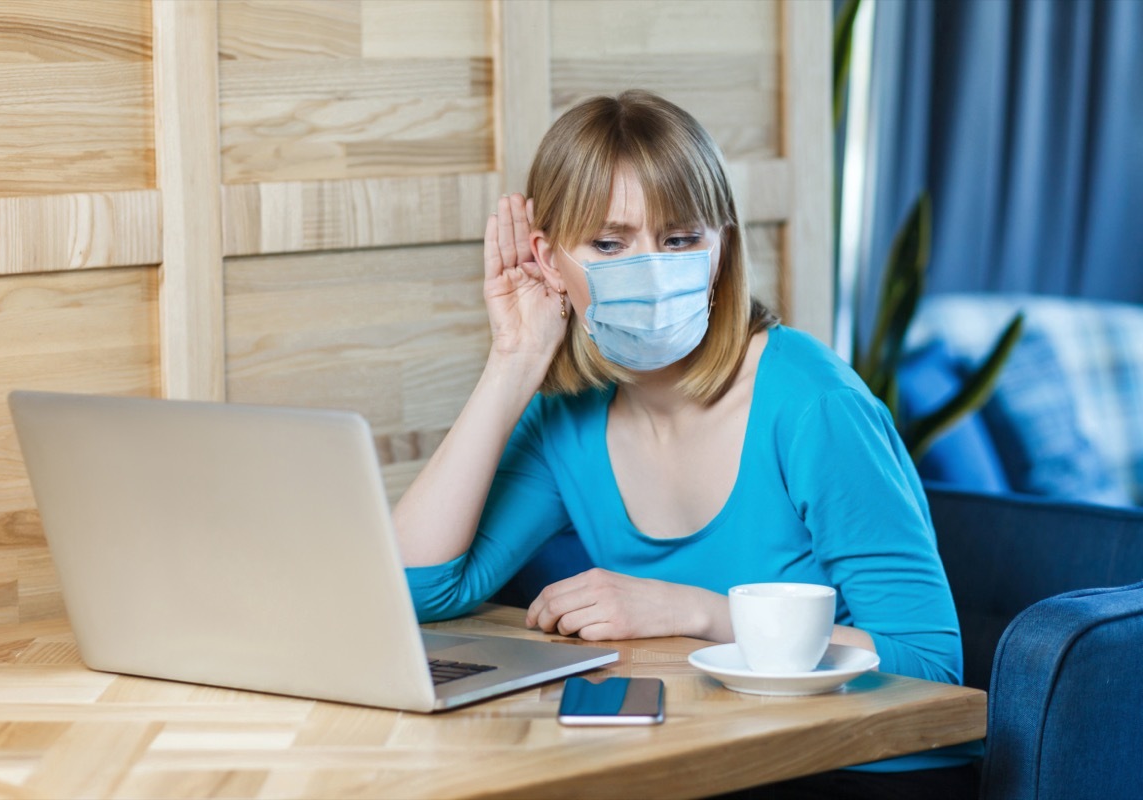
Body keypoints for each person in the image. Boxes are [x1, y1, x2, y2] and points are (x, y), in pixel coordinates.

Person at [392, 90, 979, 799]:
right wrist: (514, 361)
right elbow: (416, 590)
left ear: (721, 246)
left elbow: (930, 664)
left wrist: (693, 611)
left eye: (680, 240)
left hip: (855, 766)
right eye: (609, 244)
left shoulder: (815, 404)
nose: (650, 268)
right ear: (548, 260)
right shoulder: (567, 418)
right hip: (700, 757)